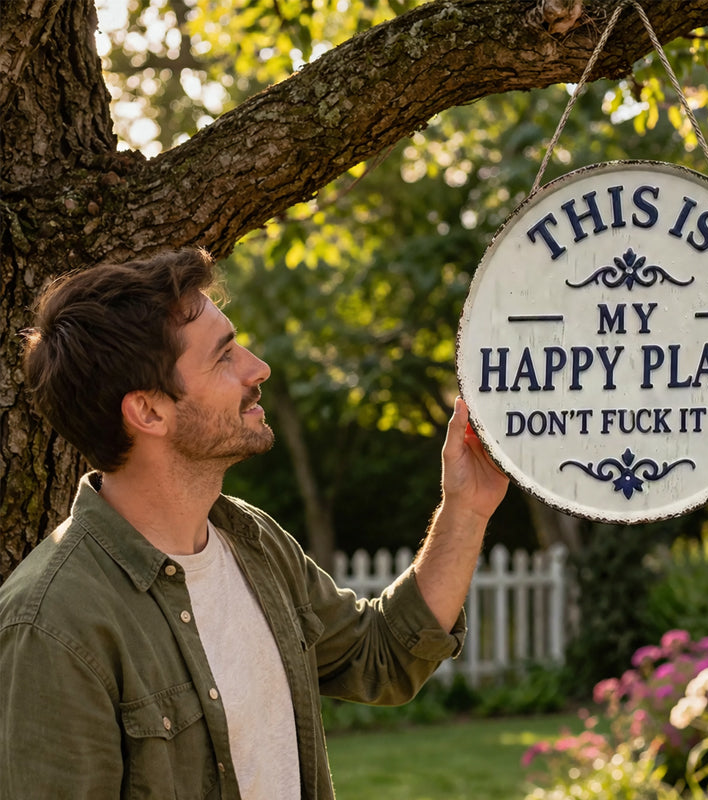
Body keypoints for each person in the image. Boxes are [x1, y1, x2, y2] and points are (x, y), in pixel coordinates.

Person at [0, 248, 508, 799]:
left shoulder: (251, 541)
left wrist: (466, 507)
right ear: (148, 411)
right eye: (223, 358)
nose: (257, 368)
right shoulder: (52, 625)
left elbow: (381, 656)